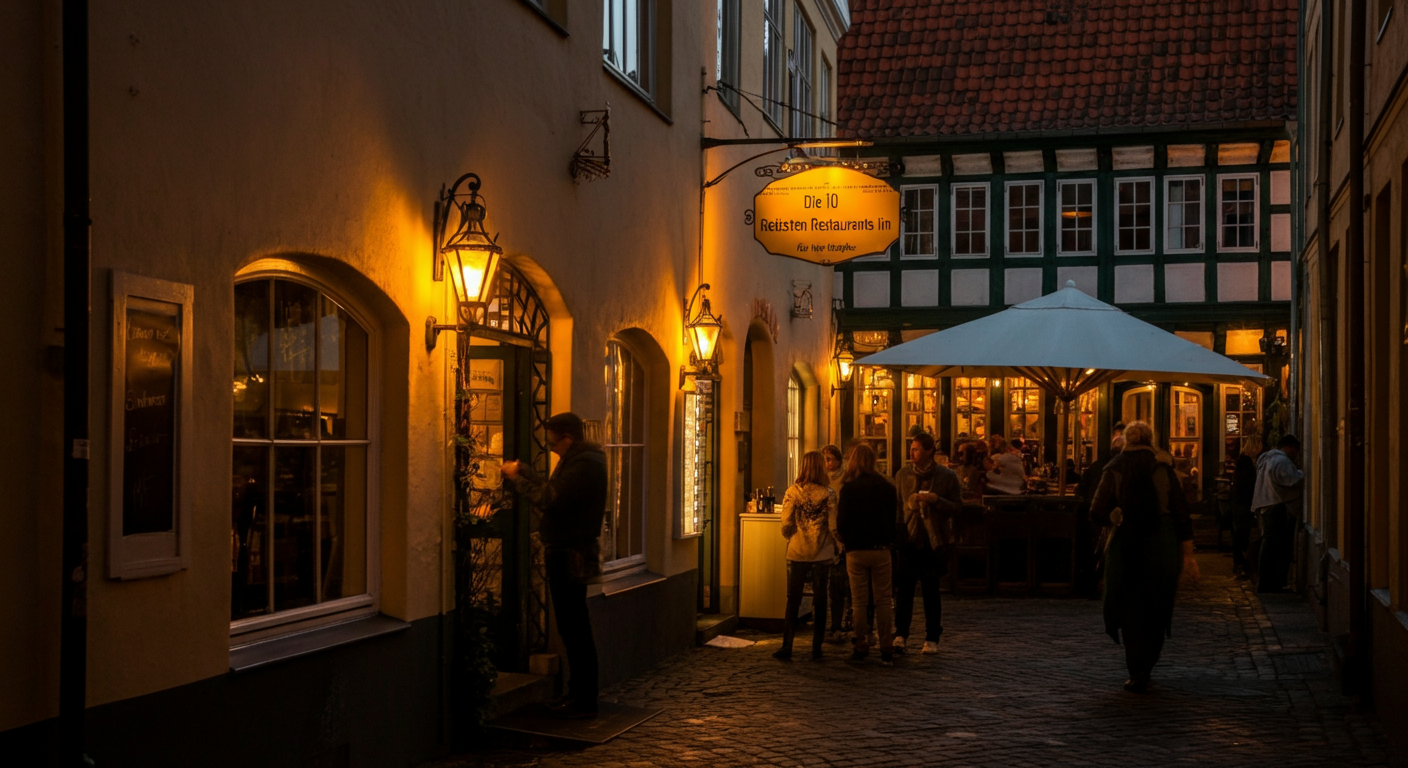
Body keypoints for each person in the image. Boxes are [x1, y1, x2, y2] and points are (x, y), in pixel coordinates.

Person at [502, 412, 607, 719]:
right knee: (574, 627)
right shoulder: (581, 461)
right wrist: (524, 470)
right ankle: (580, 694)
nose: (551, 447)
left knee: (574, 628)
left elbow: (548, 498)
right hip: (571, 551)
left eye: (552, 442)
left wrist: (516, 480)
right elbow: (555, 488)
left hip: (570, 553)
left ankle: (583, 697)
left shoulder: (584, 465)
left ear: (568, 439)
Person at [1089, 421, 1200, 694]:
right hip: (1161, 543)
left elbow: (1096, 510)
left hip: (1126, 542)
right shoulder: (1164, 469)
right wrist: (1188, 554)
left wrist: (1113, 514)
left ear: (1126, 441)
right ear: (1151, 441)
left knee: (1130, 607)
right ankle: (1147, 665)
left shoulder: (1114, 468)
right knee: (1157, 605)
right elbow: (1181, 512)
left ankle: (1135, 669)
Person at [891, 433, 962, 654]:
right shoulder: (902, 475)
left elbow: (957, 507)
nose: (912, 453)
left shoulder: (946, 476)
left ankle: (932, 637)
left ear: (929, 451)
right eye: (911, 448)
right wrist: (899, 532)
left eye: (916, 449)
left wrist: (936, 500)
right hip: (909, 538)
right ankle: (901, 634)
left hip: (934, 540)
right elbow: (897, 507)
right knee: (904, 590)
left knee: (931, 589)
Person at [835, 443, 898, 664]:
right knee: (883, 600)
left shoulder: (849, 489)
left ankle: (860, 644)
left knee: (859, 601)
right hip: (881, 548)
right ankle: (886, 646)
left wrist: (846, 539)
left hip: (856, 549)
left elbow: (841, 522)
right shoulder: (887, 487)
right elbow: (893, 519)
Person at [774, 451, 840, 661]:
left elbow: (786, 522)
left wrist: (791, 536)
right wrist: (837, 545)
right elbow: (833, 525)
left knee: (793, 600)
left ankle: (787, 646)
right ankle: (816, 648)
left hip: (797, 551)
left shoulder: (792, 492)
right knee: (820, 601)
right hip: (822, 552)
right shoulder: (829, 494)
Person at [1251, 434, 1304, 593]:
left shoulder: (1267, 459)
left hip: (1265, 505)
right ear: (1290, 447)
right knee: (1275, 545)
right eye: (1296, 450)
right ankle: (1271, 583)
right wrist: (1302, 473)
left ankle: (1267, 581)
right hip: (1276, 506)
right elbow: (1292, 480)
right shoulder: (1281, 461)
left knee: (1269, 544)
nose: (1296, 454)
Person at [821, 444, 851, 641]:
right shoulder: (822, 479)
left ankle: (846, 620)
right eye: (824, 459)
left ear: (839, 460)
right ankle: (835, 623)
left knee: (843, 581)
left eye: (830, 459)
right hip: (826, 535)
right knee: (834, 584)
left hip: (841, 533)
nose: (827, 463)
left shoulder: (845, 479)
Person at [1231, 435, 1264, 579]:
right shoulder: (1246, 463)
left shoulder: (1243, 462)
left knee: (1241, 535)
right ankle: (1242, 564)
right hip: (1244, 504)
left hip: (1241, 503)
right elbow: (1246, 485)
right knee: (1243, 535)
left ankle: (1241, 563)